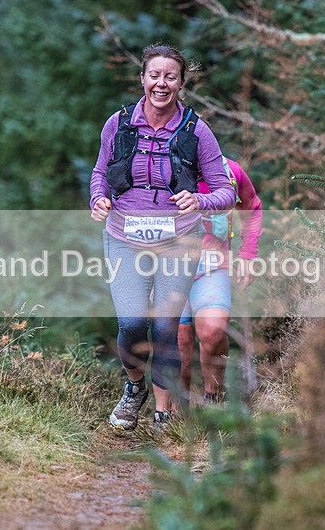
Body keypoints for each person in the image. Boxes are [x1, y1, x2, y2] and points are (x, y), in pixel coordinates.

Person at [89, 44, 236, 430]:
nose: (161, 83)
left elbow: (227, 191)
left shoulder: (196, 130)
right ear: (142, 78)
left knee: (167, 328)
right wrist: (98, 197)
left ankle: (163, 415)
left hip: (178, 239)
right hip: (124, 236)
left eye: (170, 76)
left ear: (181, 84)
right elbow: (100, 172)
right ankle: (134, 388)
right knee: (133, 323)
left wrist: (199, 199)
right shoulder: (118, 124)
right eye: (155, 75)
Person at [179, 157, 262, 404]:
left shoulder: (230, 172)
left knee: (214, 331)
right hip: (167, 267)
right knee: (179, 344)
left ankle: (213, 398)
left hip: (212, 264)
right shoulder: (158, 164)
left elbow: (252, 208)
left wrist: (247, 255)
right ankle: (176, 413)